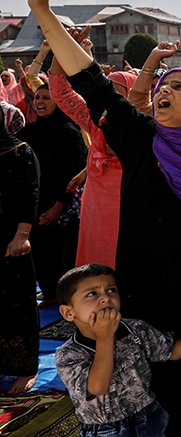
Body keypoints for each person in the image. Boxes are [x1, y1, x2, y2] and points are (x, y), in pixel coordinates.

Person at [25, 0, 181, 435]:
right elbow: (91, 82)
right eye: (162, 86)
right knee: (154, 410)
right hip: (144, 307)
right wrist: (43, 13)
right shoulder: (140, 139)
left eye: (180, 86)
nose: (164, 90)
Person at [55, 264, 181, 437]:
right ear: (68, 312)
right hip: (107, 430)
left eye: (111, 290)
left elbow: (171, 351)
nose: (106, 298)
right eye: (92, 294)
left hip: (150, 417)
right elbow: (97, 387)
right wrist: (105, 337)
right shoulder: (68, 354)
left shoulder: (135, 329)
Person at [48, 34, 136, 269]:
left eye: (117, 93)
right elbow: (60, 92)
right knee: (97, 270)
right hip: (96, 210)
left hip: (131, 209)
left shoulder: (145, 129)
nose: (109, 99)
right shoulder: (95, 121)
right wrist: (61, 45)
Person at [16, 78, 87, 307]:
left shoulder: (68, 132)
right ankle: (48, 292)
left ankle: (60, 293)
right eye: (37, 97)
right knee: (40, 249)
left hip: (59, 204)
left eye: (46, 98)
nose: (40, 101)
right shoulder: (31, 131)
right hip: (36, 200)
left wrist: (58, 206)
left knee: (57, 250)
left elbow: (73, 171)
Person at [0, 104, 40, 394]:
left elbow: (31, 193)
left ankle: (26, 367)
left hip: (12, 239)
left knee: (17, 302)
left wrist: (21, 235)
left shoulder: (19, 151)